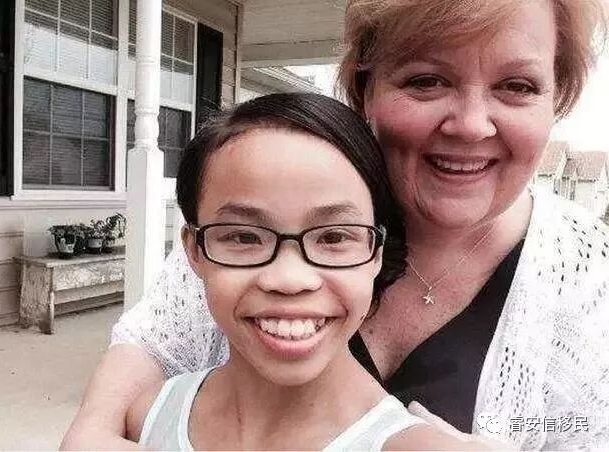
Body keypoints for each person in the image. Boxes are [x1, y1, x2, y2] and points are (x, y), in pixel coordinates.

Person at [61, 0, 609, 450]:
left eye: (517, 86)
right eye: (426, 80)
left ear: (555, 99)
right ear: (365, 90)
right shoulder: (259, 219)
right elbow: (154, 345)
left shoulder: (590, 281)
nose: (470, 125)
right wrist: (92, 429)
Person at [123, 92, 470, 450]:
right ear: (194, 251)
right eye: (244, 237)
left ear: (376, 253)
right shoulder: (148, 418)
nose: (289, 279)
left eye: (333, 237)